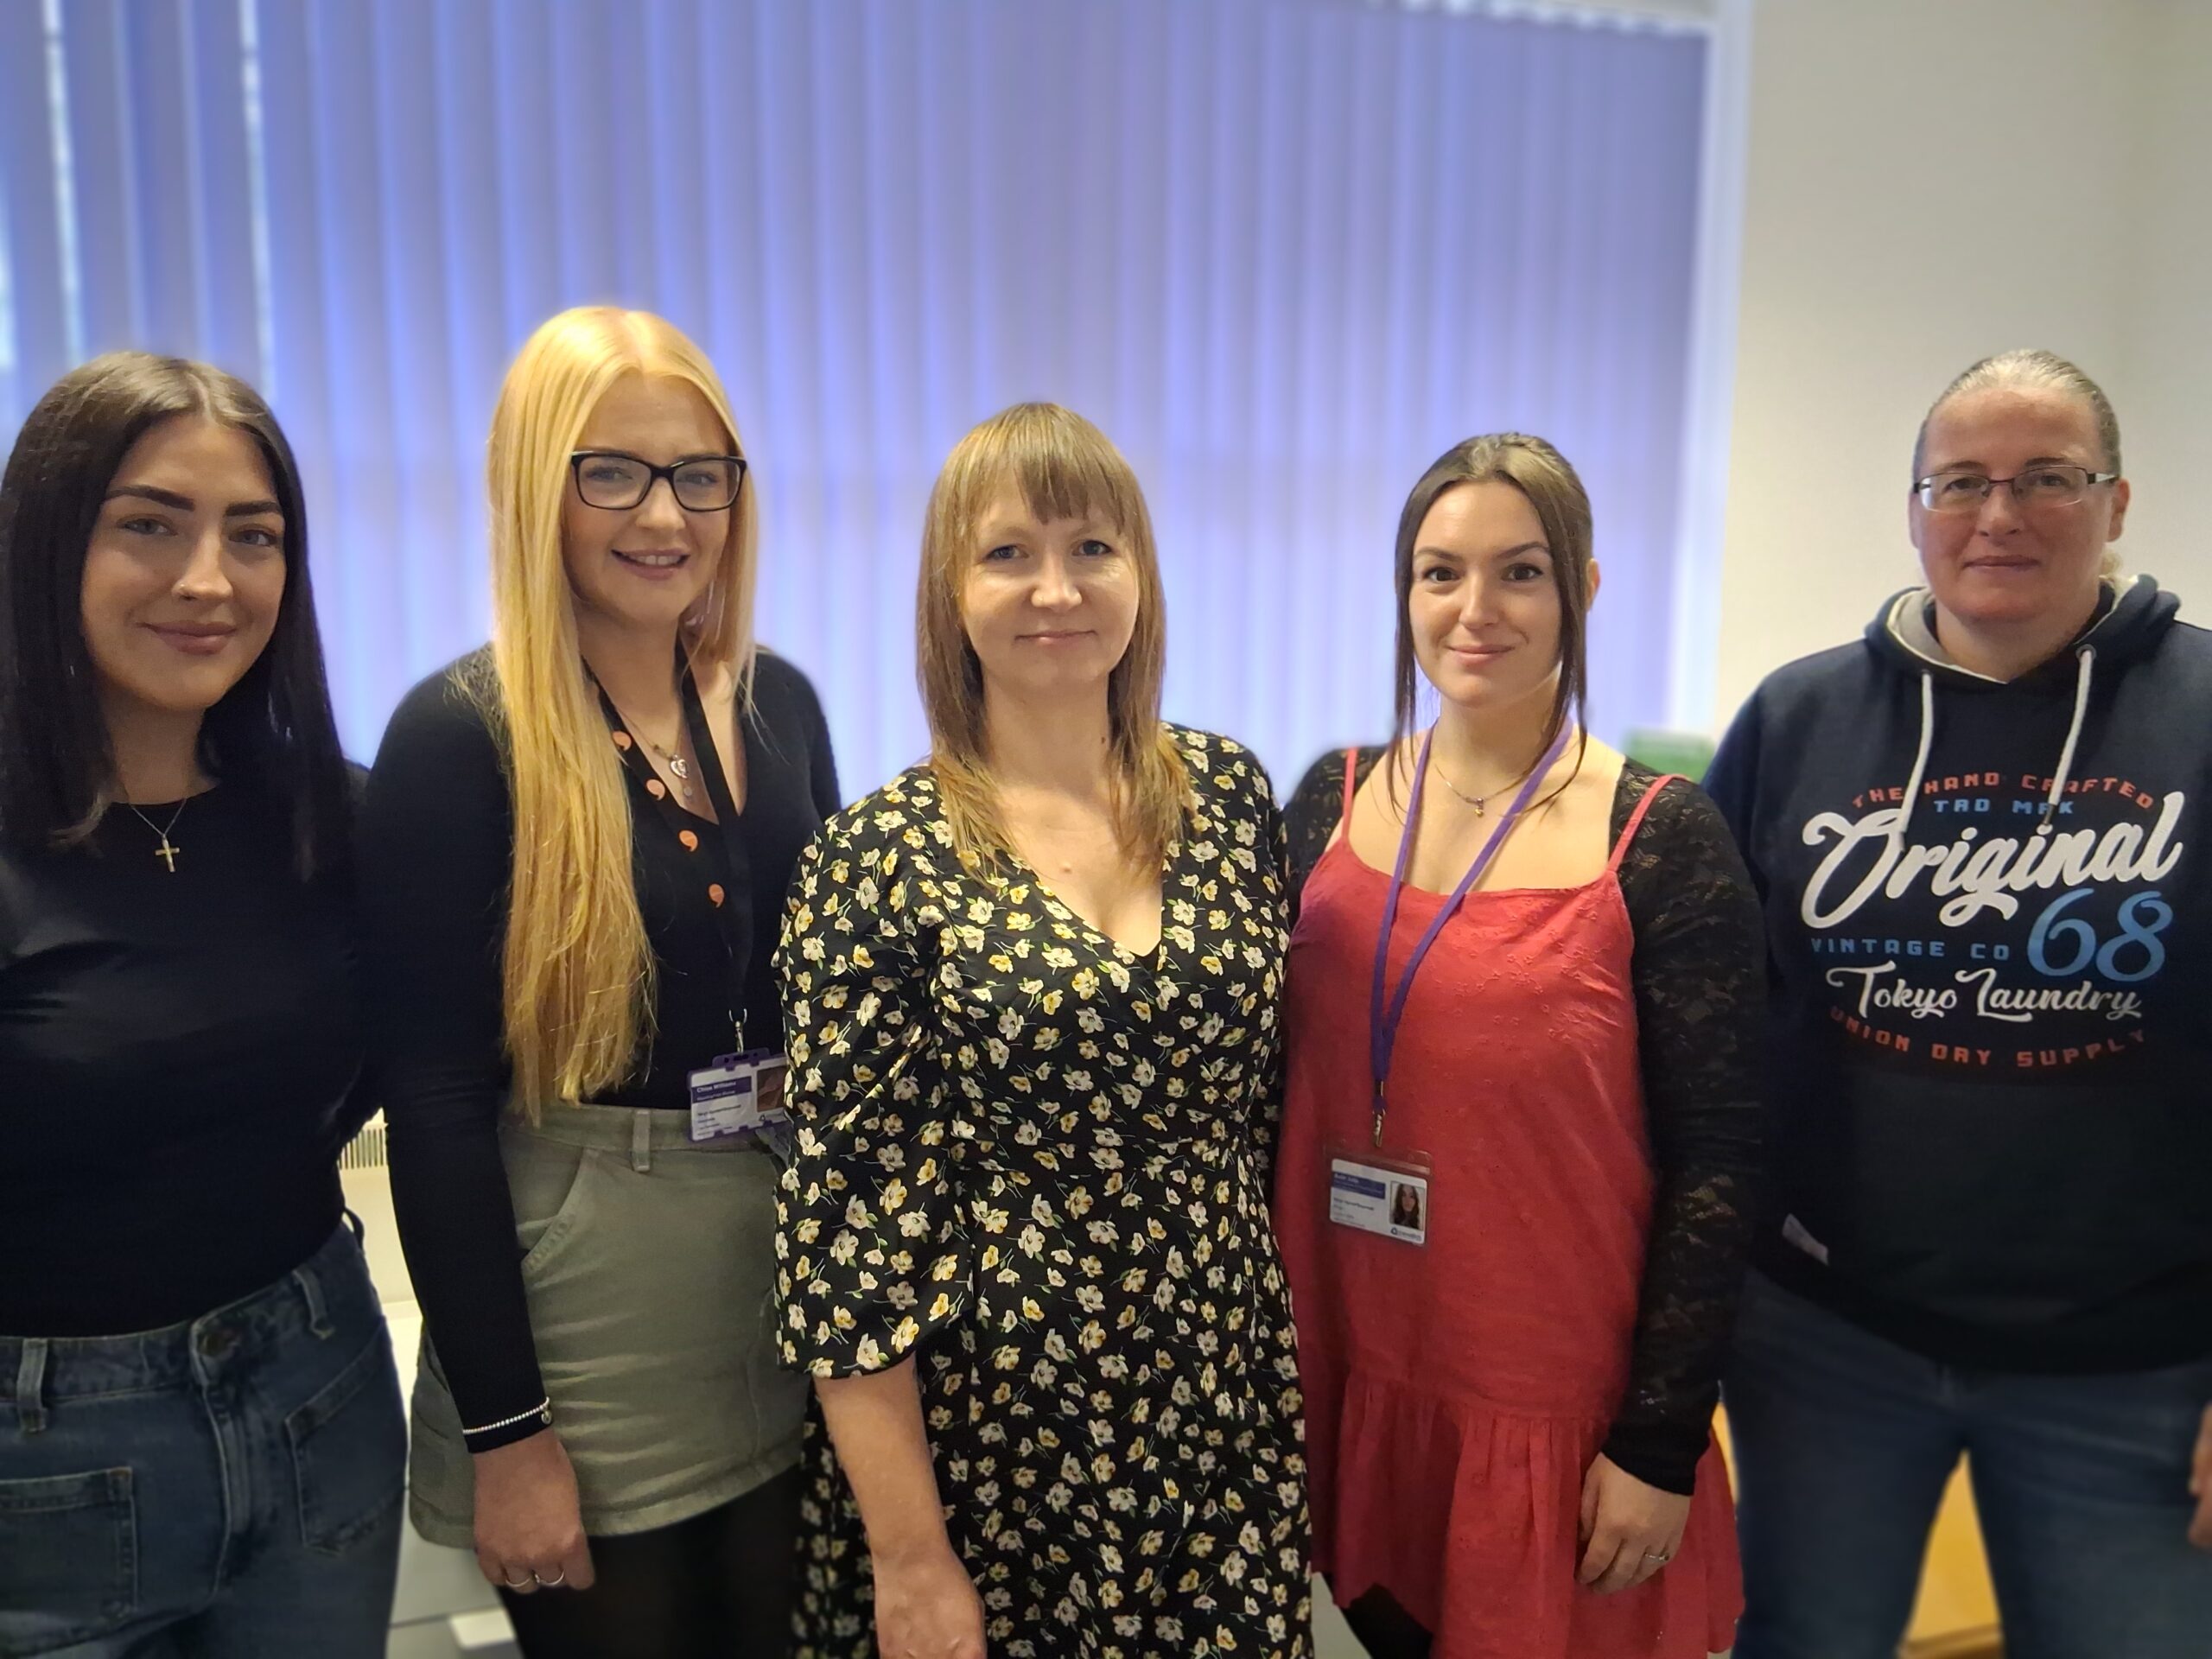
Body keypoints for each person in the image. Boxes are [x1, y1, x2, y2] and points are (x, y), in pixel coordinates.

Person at [772, 403, 1312, 1659]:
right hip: (992, 1444)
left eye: (1092, 548)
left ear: (1143, 576)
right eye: (1008, 552)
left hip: (1216, 1404)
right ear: (949, 594)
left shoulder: (1231, 797)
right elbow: (848, 1239)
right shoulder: (877, 858)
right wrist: (910, 1557)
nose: (1055, 589)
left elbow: (1274, 1103)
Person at [1704, 349, 2212, 1659]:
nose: (2000, 515)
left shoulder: (2205, 719)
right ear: (1915, 507)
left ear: (2117, 501)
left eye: (2048, 478)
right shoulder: (1799, 719)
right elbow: (1708, 1033)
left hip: (2140, 1368)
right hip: (1829, 1345)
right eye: (1963, 482)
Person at [359, 307, 839, 1657]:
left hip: (766, 1265)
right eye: (612, 470)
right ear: (536, 487)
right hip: (582, 1308)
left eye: (701, 474)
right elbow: (438, 1106)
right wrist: (510, 1438)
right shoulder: (463, 736)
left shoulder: (777, 701)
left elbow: (827, 999)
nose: (666, 513)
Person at [1277, 433, 1764, 1659]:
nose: (1474, 611)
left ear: (1583, 590)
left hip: (1547, 1409)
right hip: (1341, 1364)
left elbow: (1724, 1162)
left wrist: (1657, 1443)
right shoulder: (1325, 802)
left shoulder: (1658, 837)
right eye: (1440, 573)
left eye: (1521, 573)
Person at [0, 353, 402, 1654]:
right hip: (44, 1460)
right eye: (149, 525)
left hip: (319, 1391)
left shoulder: (330, 817)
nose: (209, 581)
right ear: (46, 540)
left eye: (256, 535)